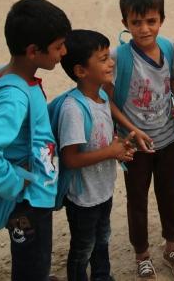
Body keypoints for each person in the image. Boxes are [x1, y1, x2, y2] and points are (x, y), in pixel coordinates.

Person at [0, 0, 71, 280]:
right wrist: (15, 180)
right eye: (58, 46)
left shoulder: (9, 75)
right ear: (33, 51)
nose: (64, 51)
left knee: (36, 260)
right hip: (26, 201)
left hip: (33, 194)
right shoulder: (13, 97)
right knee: (31, 264)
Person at [108, 0, 174, 280]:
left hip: (167, 138)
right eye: (136, 22)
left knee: (170, 194)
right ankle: (142, 255)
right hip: (135, 144)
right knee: (137, 199)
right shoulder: (117, 58)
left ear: (161, 19)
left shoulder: (169, 48)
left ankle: (171, 247)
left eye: (151, 21)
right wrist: (130, 131)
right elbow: (106, 99)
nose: (144, 29)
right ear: (125, 24)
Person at [54, 30, 137, 281]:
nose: (111, 62)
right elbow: (70, 159)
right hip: (82, 198)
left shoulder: (100, 94)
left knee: (102, 240)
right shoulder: (73, 110)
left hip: (102, 191)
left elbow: (101, 131)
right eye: (102, 59)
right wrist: (110, 152)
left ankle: (102, 277)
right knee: (83, 248)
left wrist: (118, 149)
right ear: (81, 71)